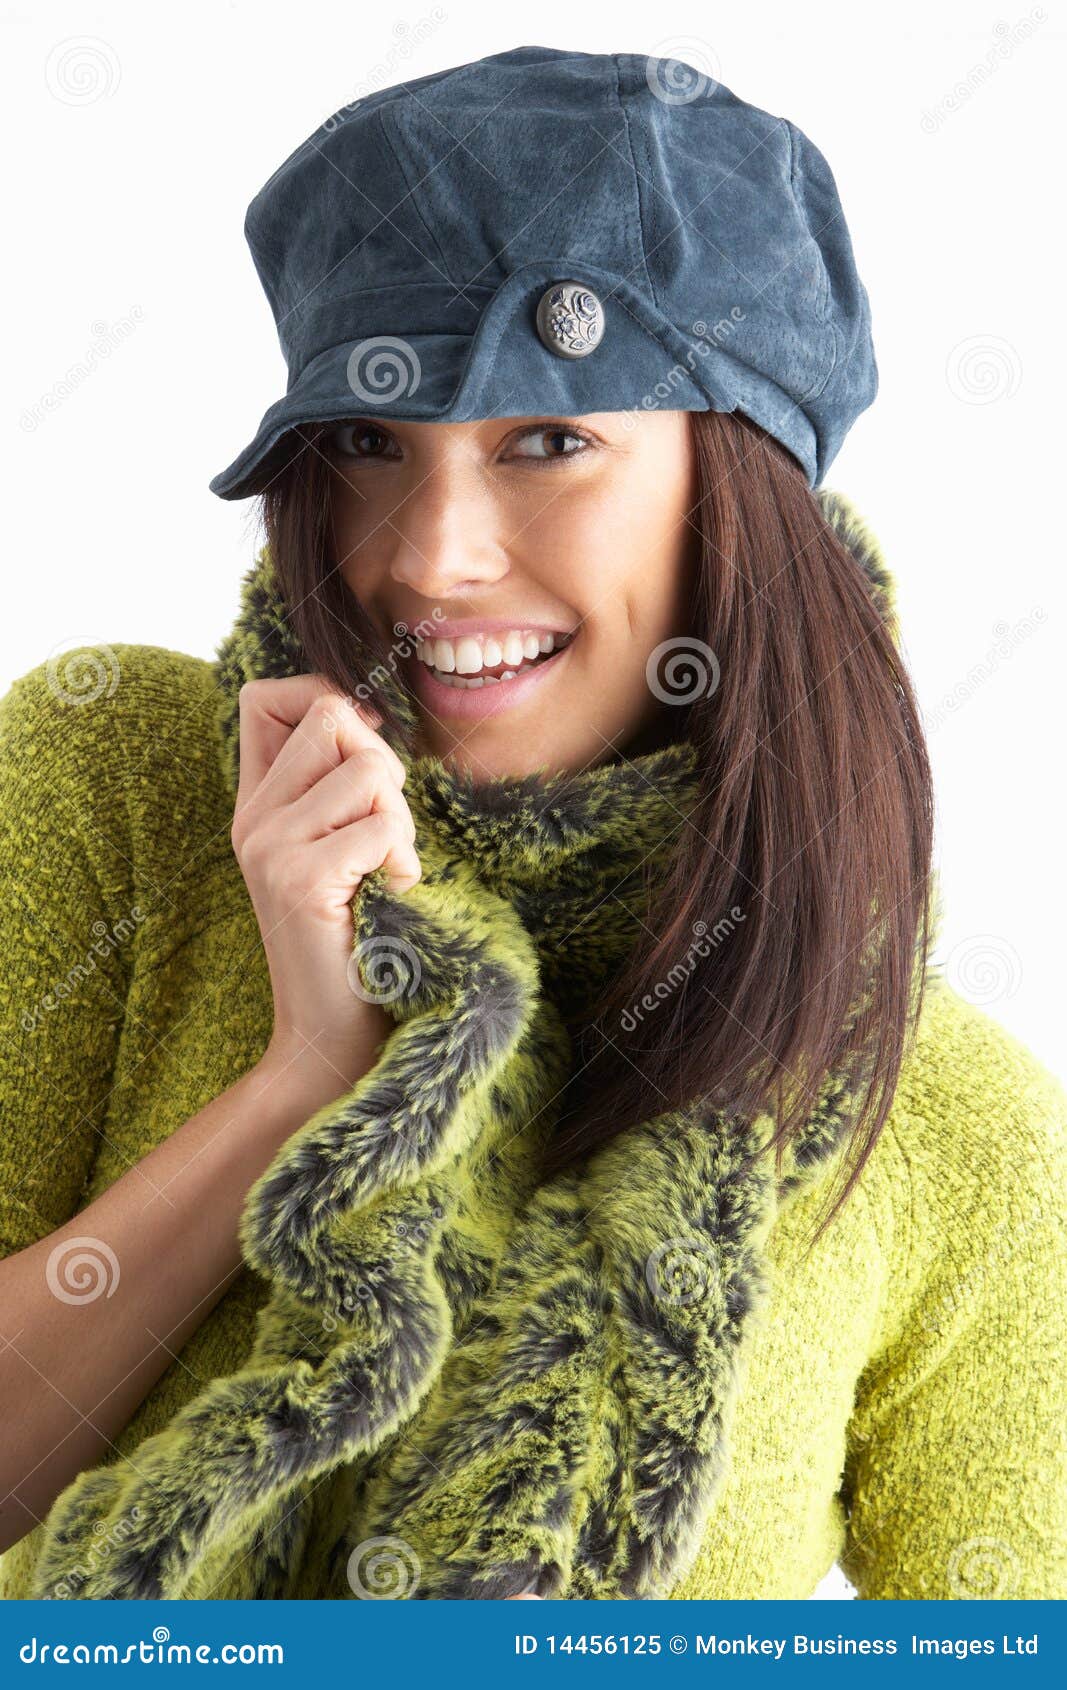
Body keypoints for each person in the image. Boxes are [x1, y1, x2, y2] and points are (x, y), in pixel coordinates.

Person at [0, 45, 1063, 1603]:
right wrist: (312, 1082)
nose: (430, 559)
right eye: (370, 443)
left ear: (739, 484)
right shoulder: (121, 786)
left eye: (548, 441)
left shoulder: (955, 1130)